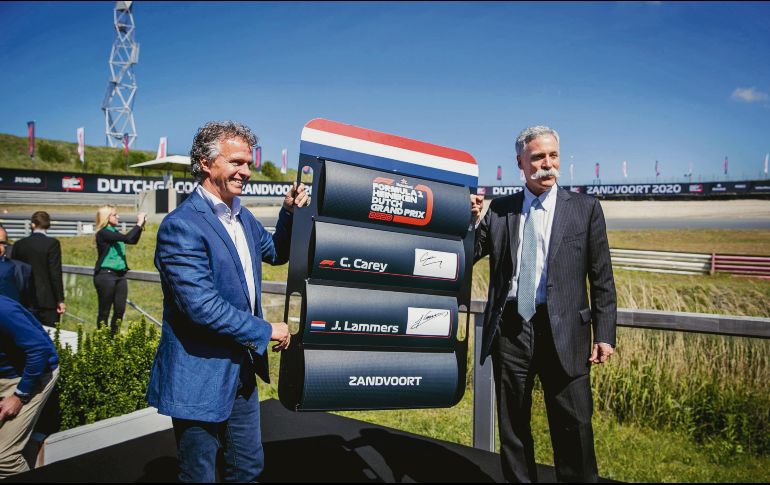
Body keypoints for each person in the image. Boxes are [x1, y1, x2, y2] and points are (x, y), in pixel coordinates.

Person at [146, 121, 308, 482]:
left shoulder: (242, 216)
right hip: (199, 375)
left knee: (247, 467)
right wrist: (265, 330)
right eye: (236, 162)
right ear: (206, 163)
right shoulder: (181, 226)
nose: (246, 172)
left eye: (248, 163)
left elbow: (277, 252)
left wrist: (289, 214)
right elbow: (200, 306)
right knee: (199, 473)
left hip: (241, 371)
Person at [471, 125, 616, 482]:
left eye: (553, 156)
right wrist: (470, 220)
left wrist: (605, 333)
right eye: (537, 157)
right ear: (520, 162)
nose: (547, 165)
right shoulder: (500, 210)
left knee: (574, 426)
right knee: (513, 428)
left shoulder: (585, 209)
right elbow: (469, 253)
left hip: (566, 332)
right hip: (512, 332)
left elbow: (602, 278)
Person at [0, 295, 59, 478]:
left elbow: (39, 351)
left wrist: (19, 395)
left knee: (4, 458)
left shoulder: (4, 310)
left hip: (28, 376)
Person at [93, 206, 147, 335]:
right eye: (114, 215)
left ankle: (113, 339)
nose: (118, 217)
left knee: (119, 310)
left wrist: (140, 226)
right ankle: (102, 342)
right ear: (106, 217)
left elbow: (132, 240)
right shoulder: (104, 232)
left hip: (120, 276)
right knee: (104, 311)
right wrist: (138, 223)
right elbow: (128, 238)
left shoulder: (114, 232)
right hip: (106, 275)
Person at [10, 212, 65, 326]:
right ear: (48, 226)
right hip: (48, 299)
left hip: (25, 298)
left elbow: (14, 271)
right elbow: (55, 273)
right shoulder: (52, 244)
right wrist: (60, 299)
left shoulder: (19, 244)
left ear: (33, 225)